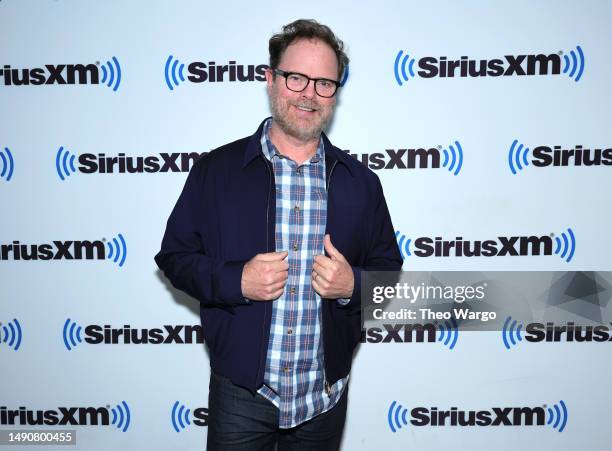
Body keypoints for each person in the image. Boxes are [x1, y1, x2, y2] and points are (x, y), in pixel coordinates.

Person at [155, 19, 402, 451]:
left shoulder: (362, 183)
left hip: (323, 400)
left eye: (325, 83)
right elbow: (175, 257)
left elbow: (389, 273)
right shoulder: (216, 171)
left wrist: (352, 286)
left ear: (336, 93)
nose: (309, 93)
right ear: (270, 80)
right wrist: (236, 280)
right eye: (296, 78)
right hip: (241, 395)